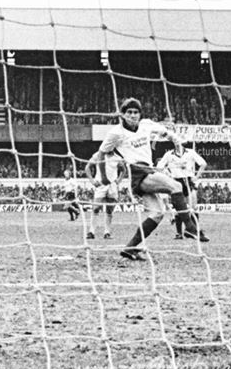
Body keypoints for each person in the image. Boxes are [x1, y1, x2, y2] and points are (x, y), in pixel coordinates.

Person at [88, 98, 207, 262]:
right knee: (176, 186)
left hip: (148, 170)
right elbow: (101, 153)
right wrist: (103, 176)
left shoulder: (146, 125)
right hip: (138, 173)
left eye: (135, 112)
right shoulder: (116, 133)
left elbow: (165, 132)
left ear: (140, 114)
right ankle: (190, 227)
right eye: (128, 112)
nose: (132, 115)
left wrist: (175, 139)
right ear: (122, 115)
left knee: (158, 214)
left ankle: (130, 248)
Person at [156, 143, 208, 239]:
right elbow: (159, 167)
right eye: (175, 141)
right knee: (179, 209)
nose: (177, 143)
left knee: (193, 208)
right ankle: (179, 233)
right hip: (176, 182)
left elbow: (203, 164)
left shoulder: (190, 152)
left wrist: (196, 177)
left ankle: (194, 231)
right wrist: (167, 176)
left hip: (188, 181)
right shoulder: (169, 154)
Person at [85, 153, 125, 240]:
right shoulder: (97, 155)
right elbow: (87, 167)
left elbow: (123, 170)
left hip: (112, 186)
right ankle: (91, 232)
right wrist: (92, 181)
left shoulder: (117, 158)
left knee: (109, 210)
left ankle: (107, 232)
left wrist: (118, 181)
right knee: (96, 207)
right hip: (100, 185)